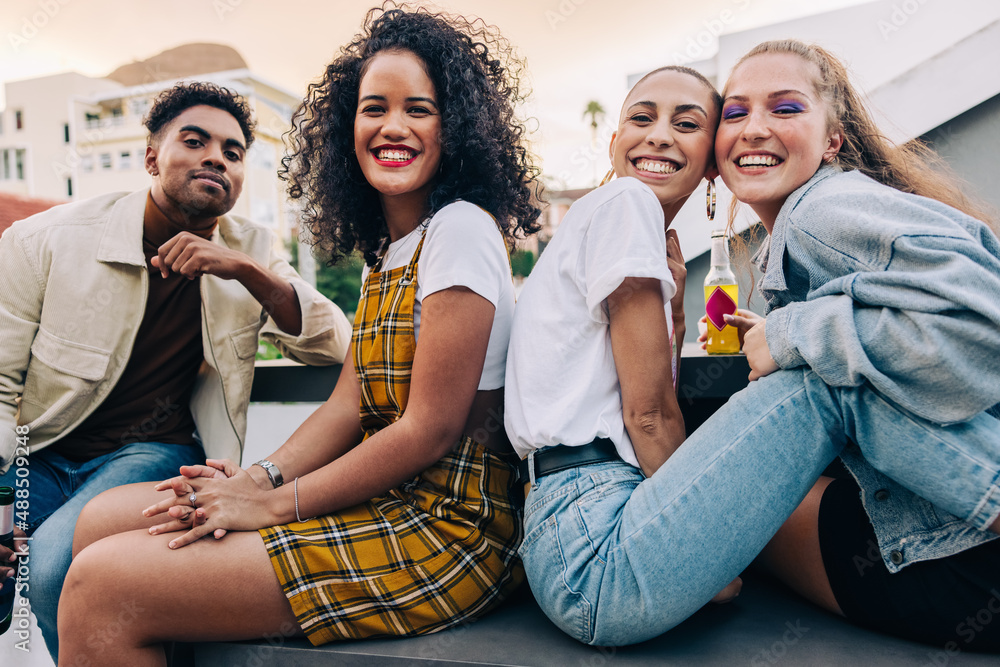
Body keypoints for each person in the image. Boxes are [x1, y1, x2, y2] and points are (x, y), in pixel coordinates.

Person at [59, 6, 540, 665]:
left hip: (447, 529)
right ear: (348, 129)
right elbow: (347, 406)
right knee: (103, 519)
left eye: (418, 110)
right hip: (382, 498)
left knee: (103, 586)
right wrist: (257, 477)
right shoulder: (391, 250)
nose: (392, 126)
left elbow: (426, 429)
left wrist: (273, 504)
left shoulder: (460, 229)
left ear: (454, 129)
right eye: (374, 108)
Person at [508, 57, 1000, 647]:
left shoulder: (638, 228)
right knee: (816, 383)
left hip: (571, 537)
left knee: (813, 371)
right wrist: (712, 563)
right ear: (614, 143)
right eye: (644, 117)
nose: (661, 133)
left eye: (687, 123)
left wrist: (713, 322)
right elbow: (648, 416)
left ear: (711, 164)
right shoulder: (626, 204)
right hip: (595, 542)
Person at [0, 82, 350, 657]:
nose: (217, 157)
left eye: (234, 153)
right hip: (39, 454)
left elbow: (333, 343)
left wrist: (243, 271)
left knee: (51, 569)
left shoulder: (249, 250)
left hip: (150, 456)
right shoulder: (47, 239)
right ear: (150, 157)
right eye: (195, 141)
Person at [715, 40, 1000, 650]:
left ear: (832, 140)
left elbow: (983, 326)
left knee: (714, 493)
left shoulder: (821, 211)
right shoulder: (807, 226)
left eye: (785, 108)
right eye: (734, 113)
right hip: (958, 535)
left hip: (960, 554)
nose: (753, 128)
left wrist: (789, 335)